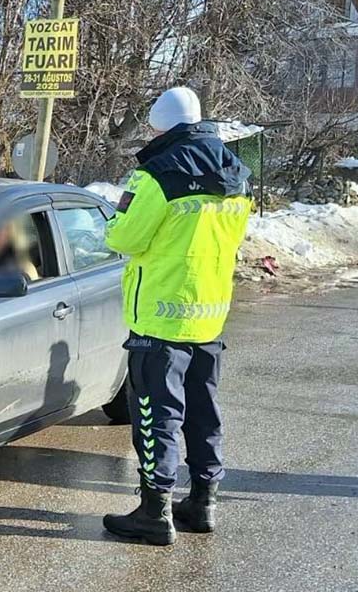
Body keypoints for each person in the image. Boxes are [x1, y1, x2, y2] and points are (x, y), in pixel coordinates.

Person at [101, 86, 252, 546]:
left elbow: (123, 238)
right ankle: (203, 502)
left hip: (161, 317)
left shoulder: (156, 174)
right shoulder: (236, 172)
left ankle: (155, 512)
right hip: (209, 314)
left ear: (159, 127)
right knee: (204, 411)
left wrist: (116, 218)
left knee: (156, 417)